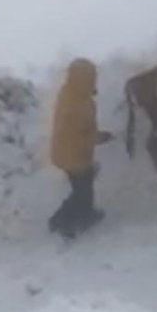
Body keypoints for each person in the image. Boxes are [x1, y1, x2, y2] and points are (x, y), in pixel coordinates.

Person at [48, 58, 113, 238]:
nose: (93, 81)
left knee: (81, 189)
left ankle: (61, 219)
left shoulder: (73, 94)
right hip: (72, 154)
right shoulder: (74, 105)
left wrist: (95, 135)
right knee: (82, 193)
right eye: (89, 78)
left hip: (70, 152)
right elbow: (76, 136)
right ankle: (70, 224)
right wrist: (98, 137)